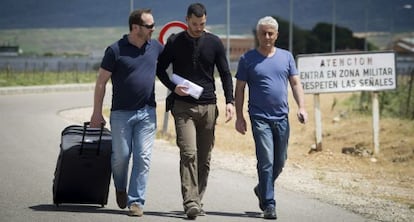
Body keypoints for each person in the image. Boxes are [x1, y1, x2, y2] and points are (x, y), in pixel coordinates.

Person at [156, 2, 235, 219]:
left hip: (209, 106)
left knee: (204, 157)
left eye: (202, 24)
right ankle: (190, 201)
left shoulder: (214, 42)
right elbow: (160, 69)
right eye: (194, 24)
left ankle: (198, 199)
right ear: (186, 20)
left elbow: (226, 73)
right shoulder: (175, 42)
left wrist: (230, 101)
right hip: (183, 107)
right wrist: (173, 88)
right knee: (188, 153)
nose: (198, 28)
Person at [89, 9, 163, 217]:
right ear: (135, 28)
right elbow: (101, 82)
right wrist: (96, 113)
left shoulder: (156, 47)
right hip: (121, 114)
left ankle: (136, 201)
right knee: (121, 157)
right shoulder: (115, 50)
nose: (153, 29)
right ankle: (120, 187)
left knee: (143, 157)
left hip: (147, 113)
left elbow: (174, 64)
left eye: (153, 25)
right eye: (149, 26)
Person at [234, 16, 308, 220]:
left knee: (280, 161)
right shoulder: (247, 59)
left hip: (281, 117)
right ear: (258, 35)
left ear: (276, 35)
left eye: (270, 33)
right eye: (263, 33)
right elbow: (239, 89)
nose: (266, 37)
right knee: (266, 160)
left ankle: (261, 188)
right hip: (259, 117)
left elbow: (295, 83)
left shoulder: (286, 57)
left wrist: (301, 106)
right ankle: (269, 203)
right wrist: (239, 117)